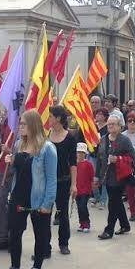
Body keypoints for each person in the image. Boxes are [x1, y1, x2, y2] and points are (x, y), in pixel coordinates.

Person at [1, 110, 57, 269]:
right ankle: (15, 268)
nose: (20, 127)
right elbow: (17, 172)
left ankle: (36, 268)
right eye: (20, 124)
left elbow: (51, 179)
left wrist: (47, 203)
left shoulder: (47, 148)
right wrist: (11, 162)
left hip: (38, 198)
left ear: (33, 125)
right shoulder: (18, 145)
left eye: (24, 124)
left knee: (40, 235)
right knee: (14, 232)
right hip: (18, 196)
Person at [95, 116, 134, 240]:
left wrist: (118, 159)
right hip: (106, 176)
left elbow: (134, 158)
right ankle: (125, 225)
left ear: (119, 126)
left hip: (119, 176)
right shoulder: (103, 140)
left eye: (113, 124)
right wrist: (96, 176)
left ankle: (109, 230)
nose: (110, 126)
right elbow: (99, 159)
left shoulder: (125, 140)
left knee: (112, 203)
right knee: (116, 201)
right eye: (109, 124)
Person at [46, 105, 77, 255]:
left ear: (58, 118)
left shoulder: (70, 137)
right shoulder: (46, 136)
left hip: (63, 181)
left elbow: (73, 163)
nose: (49, 119)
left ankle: (64, 243)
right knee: (45, 213)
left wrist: (74, 184)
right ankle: (45, 245)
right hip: (47, 181)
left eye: (51, 116)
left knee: (62, 213)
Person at [0, 104, 14, 252]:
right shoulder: (3, 124)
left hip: (16, 168)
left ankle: (14, 238)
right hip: (1, 168)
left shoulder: (21, 123)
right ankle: (2, 237)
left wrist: (11, 151)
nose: (4, 113)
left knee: (15, 206)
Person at [90, 108, 111, 210]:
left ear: (105, 116)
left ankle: (103, 200)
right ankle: (96, 196)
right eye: (96, 114)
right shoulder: (93, 126)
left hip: (104, 155)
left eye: (100, 114)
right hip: (93, 153)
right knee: (93, 177)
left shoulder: (107, 127)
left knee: (103, 178)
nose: (98, 116)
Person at [74, 143, 95, 233]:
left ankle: (86, 223)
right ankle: (82, 224)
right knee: (79, 207)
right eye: (78, 152)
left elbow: (92, 177)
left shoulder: (88, 164)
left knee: (83, 206)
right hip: (77, 190)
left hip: (85, 190)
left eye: (82, 153)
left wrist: (92, 187)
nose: (80, 154)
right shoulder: (74, 164)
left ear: (85, 154)